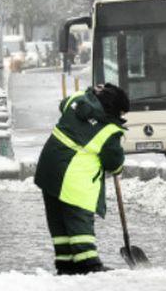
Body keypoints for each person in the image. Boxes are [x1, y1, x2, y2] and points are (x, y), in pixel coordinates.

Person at [33, 83, 129, 275]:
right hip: (74, 178)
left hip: (48, 170)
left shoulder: (76, 102)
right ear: (114, 108)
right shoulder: (109, 131)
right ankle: (89, 264)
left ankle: (65, 263)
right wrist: (118, 167)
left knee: (58, 219)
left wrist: (90, 94)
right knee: (79, 219)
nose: (122, 116)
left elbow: (63, 104)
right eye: (122, 112)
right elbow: (113, 162)